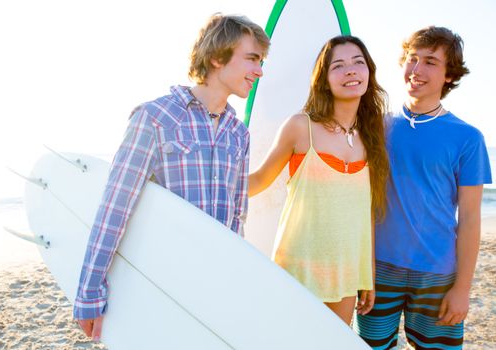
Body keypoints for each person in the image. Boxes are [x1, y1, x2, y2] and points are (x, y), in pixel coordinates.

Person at [73, 14, 270, 340]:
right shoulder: (155, 118)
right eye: (252, 59)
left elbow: (237, 217)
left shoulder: (239, 134)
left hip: (215, 287)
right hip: (162, 282)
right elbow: (114, 208)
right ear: (218, 58)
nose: (260, 71)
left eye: (261, 61)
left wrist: (236, 279)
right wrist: (89, 292)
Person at [355, 26, 492, 349]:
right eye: (412, 59)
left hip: (436, 274)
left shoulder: (468, 138)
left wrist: (462, 289)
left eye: (430, 61)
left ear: (449, 75)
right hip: (378, 269)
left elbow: (470, 218)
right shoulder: (376, 127)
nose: (416, 70)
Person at [249, 35, 389, 325]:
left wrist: (368, 274)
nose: (350, 70)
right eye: (338, 65)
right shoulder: (301, 127)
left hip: (346, 273)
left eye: (358, 62)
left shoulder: (372, 137)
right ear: (324, 79)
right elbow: (260, 179)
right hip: (296, 270)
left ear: (369, 73)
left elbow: (366, 213)